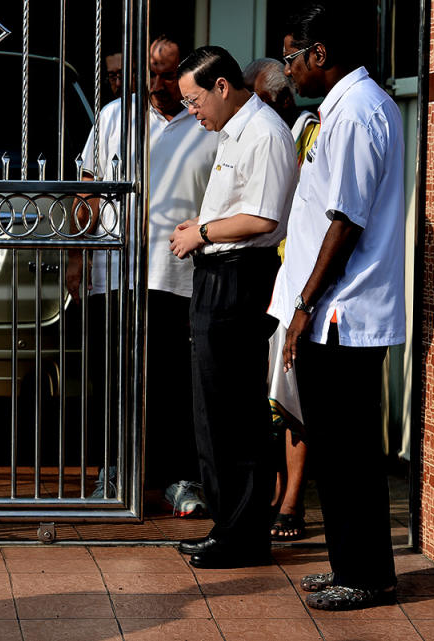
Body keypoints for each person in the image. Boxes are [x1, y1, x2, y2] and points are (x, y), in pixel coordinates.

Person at [268, 2, 406, 610]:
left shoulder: (356, 114)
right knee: (337, 450)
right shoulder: (344, 108)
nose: (289, 70)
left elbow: (344, 223)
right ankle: (351, 564)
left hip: (343, 314)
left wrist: (304, 305)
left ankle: (368, 575)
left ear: (321, 54)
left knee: (349, 455)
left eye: (294, 56)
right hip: (333, 312)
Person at [68, 35, 219, 516]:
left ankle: (177, 478)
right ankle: (111, 473)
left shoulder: (207, 122)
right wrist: (78, 254)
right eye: (152, 72)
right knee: (111, 377)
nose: (159, 83)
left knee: (175, 381)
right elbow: (88, 187)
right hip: (114, 270)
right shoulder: (114, 116)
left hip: (180, 273)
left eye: (169, 73)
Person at [169, 46, 297, 568]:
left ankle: (243, 533)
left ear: (223, 86)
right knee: (211, 408)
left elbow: (263, 219)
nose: (191, 111)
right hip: (218, 274)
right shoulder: (232, 131)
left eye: (195, 99)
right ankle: (228, 525)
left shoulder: (264, 133)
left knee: (234, 411)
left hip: (240, 278)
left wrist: (200, 232)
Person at [243, 57, 321, 542]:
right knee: (265, 393)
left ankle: (293, 500)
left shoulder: (307, 134)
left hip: (299, 278)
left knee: (292, 394)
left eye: (259, 98)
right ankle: (272, 491)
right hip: (263, 276)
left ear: (281, 100)